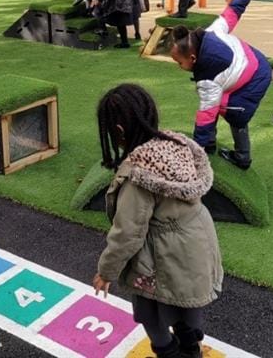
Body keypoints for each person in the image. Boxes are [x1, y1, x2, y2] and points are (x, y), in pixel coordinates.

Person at [93, 84, 222, 358]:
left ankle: (169, 352)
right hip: (197, 247)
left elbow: (127, 234)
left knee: (152, 314)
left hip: (164, 256)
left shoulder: (139, 176)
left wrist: (106, 272)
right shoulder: (177, 145)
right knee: (185, 306)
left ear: (118, 131)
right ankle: (191, 348)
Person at [170, 0, 272, 170]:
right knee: (216, 104)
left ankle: (242, 157)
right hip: (250, 61)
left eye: (179, 63)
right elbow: (230, 15)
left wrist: (196, 150)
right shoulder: (210, 32)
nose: (179, 67)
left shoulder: (209, 78)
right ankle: (209, 143)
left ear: (192, 58)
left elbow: (206, 114)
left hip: (255, 76)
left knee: (235, 113)